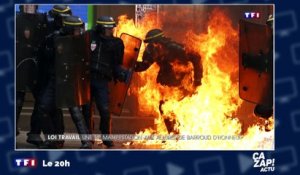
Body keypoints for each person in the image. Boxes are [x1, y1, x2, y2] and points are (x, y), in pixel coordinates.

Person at [37, 15, 92, 149]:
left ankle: (86, 142)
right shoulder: (52, 39)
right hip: (55, 79)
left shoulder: (79, 41)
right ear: (68, 28)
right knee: (43, 108)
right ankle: (52, 140)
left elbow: (84, 59)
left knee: (76, 112)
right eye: (76, 30)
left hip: (71, 80)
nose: (78, 32)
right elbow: (43, 57)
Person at [135, 29, 203, 134]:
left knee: (177, 108)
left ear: (160, 41)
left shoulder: (175, 48)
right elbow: (144, 65)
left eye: (155, 43)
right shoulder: (151, 50)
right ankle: (173, 134)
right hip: (167, 82)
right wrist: (129, 63)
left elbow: (196, 58)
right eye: (151, 44)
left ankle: (182, 133)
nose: (153, 45)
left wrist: (197, 80)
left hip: (182, 82)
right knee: (164, 107)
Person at [88, 16, 127, 148]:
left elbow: (117, 63)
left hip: (102, 81)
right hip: (86, 79)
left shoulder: (116, 43)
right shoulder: (89, 37)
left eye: (112, 28)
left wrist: (121, 73)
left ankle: (106, 137)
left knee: (105, 110)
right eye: (108, 28)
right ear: (100, 28)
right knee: (87, 110)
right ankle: (88, 138)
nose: (111, 31)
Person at [16, 4, 48, 147]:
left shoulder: (42, 19)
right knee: (17, 101)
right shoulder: (16, 19)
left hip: (36, 64)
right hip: (20, 62)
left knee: (41, 102)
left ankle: (34, 134)